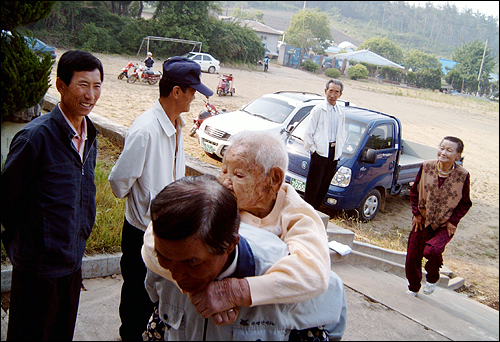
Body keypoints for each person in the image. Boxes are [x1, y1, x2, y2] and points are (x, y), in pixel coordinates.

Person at [145, 130, 333, 333]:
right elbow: (152, 241)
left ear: (274, 179)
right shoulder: (214, 200)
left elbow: (314, 274)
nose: (225, 182)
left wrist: (235, 292)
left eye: (238, 175)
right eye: (223, 170)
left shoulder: (299, 215)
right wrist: (197, 285)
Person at [108, 56, 213, 340]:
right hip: (141, 233)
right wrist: (145, 202)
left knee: (160, 300)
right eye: (192, 91)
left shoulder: (176, 126)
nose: (195, 97)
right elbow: (118, 183)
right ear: (176, 92)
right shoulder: (146, 130)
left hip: (169, 236)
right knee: (136, 300)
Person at [1, 50, 103, 341]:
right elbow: (8, 201)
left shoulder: (89, 135)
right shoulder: (36, 138)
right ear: (60, 85)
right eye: (83, 85)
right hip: (37, 269)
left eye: (97, 86)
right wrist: (34, 243)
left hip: (72, 262)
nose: (91, 95)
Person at [405, 136, 472, 296]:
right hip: (422, 220)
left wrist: (453, 222)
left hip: (444, 224)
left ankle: (432, 277)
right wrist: (416, 214)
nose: (443, 152)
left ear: (457, 155)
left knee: (433, 251)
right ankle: (414, 287)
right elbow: (414, 191)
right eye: (442, 148)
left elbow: (465, 202)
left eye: (449, 150)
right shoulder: (426, 166)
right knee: (413, 256)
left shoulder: (463, 175)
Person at [303, 79, 346, 210]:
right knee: (313, 186)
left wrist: (339, 150)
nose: (333, 95)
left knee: (324, 185)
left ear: (340, 94)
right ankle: (307, 212)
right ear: (326, 91)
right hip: (319, 152)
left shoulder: (340, 111)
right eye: (330, 91)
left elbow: (342, 133)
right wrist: (313, 150)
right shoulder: (318, 110)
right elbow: (309, 132)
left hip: (333, 153)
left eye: (336, 92)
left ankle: (316, 212)